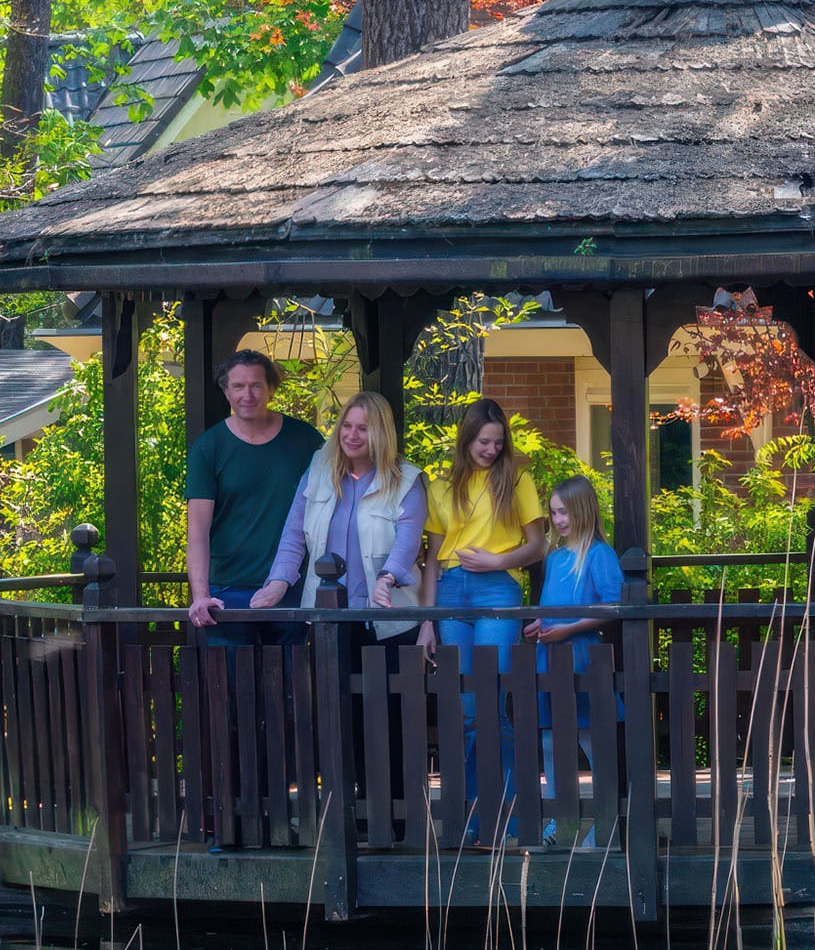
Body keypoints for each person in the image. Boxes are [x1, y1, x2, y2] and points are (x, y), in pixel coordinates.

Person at [419, 399, 549, 836]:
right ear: (466, 438)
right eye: (483, 442)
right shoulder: (440, 487)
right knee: (469, 710)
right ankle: (475, 817)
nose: (491, 450)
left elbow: (538, 545)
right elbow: (432, 561)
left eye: (498, 443)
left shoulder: (517, 478)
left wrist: (496, 563)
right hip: (452, 592)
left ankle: (509, 818)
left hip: (497, 589)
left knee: (495, 706)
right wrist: (426, 622)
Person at [258, 391, 426, 642]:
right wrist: (279, 581)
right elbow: (293, 535)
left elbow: (408, 542)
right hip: (327, 613)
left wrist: (387, 577)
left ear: (381, 433)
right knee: (329, 681)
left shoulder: (407, 480)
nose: (351, 435)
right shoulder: (318, 470)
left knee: (384, 682)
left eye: (363, 428)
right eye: (346, 426)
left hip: (388, 615)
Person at [184, 347, 325, 643]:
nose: (247, 394)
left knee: (290, 681)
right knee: (232, 682)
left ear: (271, 389)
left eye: (255, 385)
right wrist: (201, 596)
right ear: (226, 391)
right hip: (226, 588)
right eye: (238, 386)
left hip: (292, 585)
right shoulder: (209, 447)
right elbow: (197, 530)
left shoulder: (306, 440)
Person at [524, 476, 622, 847]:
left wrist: (569, 628)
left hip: (582, 657)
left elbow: (612, 606)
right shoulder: (555, 558)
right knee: (551, 742)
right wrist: (543, 623)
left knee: (591, 742)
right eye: (553, 512)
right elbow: (553, 608)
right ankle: (562, 824)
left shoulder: (600, 554)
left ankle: (605, 826)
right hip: (551, 657)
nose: (558, 519)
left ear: (581, 510)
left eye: (563, 511)